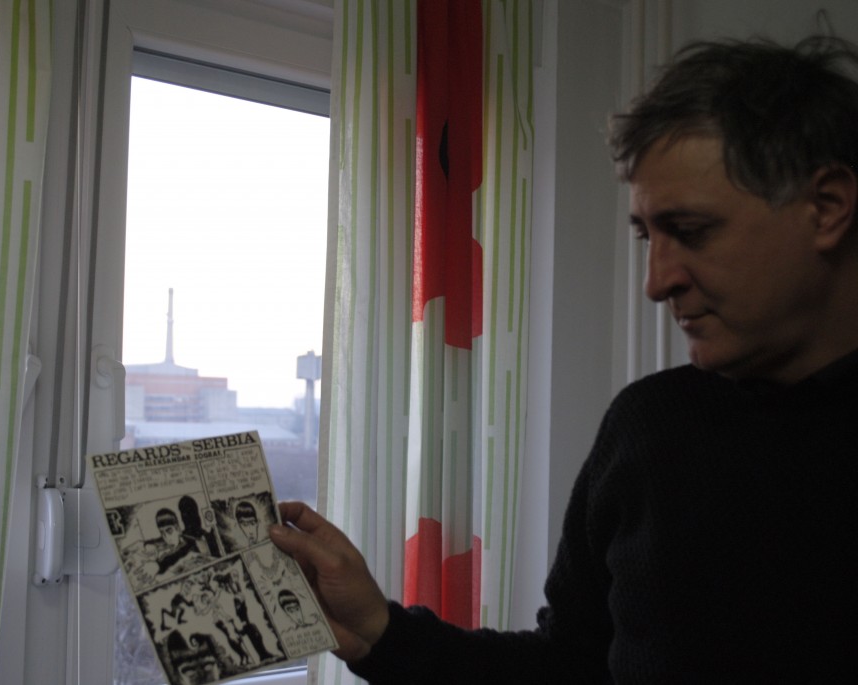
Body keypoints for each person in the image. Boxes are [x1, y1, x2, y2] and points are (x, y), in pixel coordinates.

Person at [269, 34, 858, 684]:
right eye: (647, 236)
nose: (656, 281)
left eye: (691, 232)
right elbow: (570, 666)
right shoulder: (649, 426)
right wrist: (380, 632)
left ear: (827, 207)